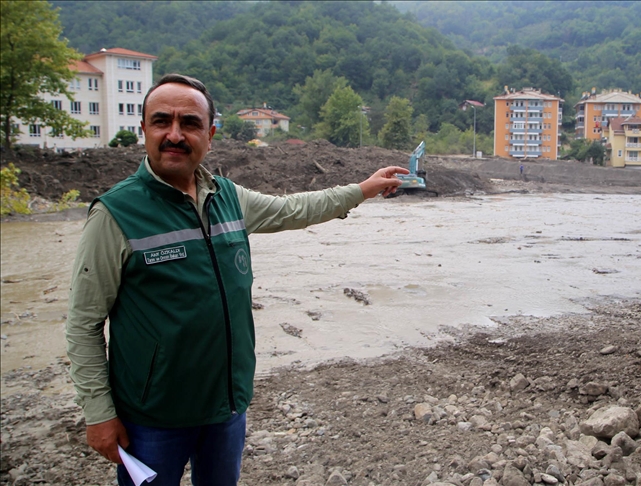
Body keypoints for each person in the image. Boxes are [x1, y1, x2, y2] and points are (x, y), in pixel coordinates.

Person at [65, 73, 408, 486]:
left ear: (209, 135)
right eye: (162, 121)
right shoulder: (115, 214)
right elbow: (84, 323)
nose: (175, 134)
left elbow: (293, 209)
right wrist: (99, 412)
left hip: (226, 409)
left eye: (189, 123)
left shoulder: (228, 196)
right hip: (152, 419)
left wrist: (363, 189)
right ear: (143, 131)